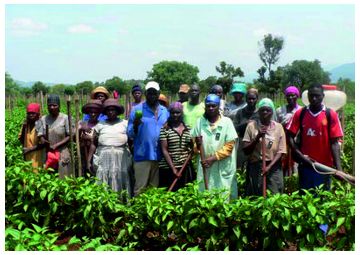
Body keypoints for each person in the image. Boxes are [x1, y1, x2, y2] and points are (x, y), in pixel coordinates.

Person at [286, 83, 343, 235]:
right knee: (306, 197)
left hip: (324, 168)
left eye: (317, 95)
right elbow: (290, 135)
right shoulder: (301, 113)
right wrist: (298, 154)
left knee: (323, 200)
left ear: (323, 96)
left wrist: (339, 169)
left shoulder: (330, 115)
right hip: (306, 165)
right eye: (312, 95)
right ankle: (306, 232)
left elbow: (334, 143)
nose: (314, 98)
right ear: (308, 97)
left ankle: (321, 232)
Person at [191, 94, 238, 201]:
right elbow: (194, 147)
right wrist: (197, 145)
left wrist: (212, 158)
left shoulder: (227, 122)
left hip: (223, 167)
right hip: (205, 166)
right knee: (205, 198)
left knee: (224, 196)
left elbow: (229, 147)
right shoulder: (199, 122)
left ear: (218, 107)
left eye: (213, 106)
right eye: (208, 106)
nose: (211, 108)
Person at [127, 81, 170, 197]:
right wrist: (135, 126)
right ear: (145, 94)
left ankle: (150, 215)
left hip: (159, 156)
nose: (151, 96)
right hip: (143, 155)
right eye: (149, 93)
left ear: (158, 94)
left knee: (154, 189)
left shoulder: (164, 111)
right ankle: (137, 215)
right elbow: (130, 134)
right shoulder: (137, 110)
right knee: (140, 188)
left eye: (154, 93)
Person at [87, 99, 133, 201]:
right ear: (105, 112)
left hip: (121, 156)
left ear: (117, 111)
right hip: (104, 155)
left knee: (121, 177)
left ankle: (121, 205)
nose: (110, 112)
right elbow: (93, 144)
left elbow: (130, 142)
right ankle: (104, 206)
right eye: (108, 110)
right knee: (103, 178)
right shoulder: (100, 125)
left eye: (113, 110)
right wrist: (89, 160)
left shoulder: (125, 123)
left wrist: (133, 158)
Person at [242, 98, 287, 196]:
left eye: (268, 110)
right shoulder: (251, 126)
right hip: (256, 165)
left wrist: (269, 167)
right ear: (258, 111)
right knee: (256, 195)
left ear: (272, 112)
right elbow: (245, 149)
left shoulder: (278, 127)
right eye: (262, 110)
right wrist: (257, 137)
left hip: (273, 166)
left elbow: (281, 151)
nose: (265, 112)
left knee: (274, 195)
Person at [36, 94, 75, 179]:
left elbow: (70, 135)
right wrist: (43, 141)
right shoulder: (43, 118)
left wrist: (56, 146)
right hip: (48, 152)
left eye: (55, 105)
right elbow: (40, 134)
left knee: (63, 178)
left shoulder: (66, 118)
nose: (52, 107)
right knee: (48, 178)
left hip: (62, 152)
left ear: (59, 106)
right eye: (50, 105)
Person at [159, 102, 194, 191]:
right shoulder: (165, 129)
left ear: (181, 113)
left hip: (184, 167)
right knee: (169, 196)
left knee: (185, 195)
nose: (175, 115)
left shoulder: (188, 129)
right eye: (172, 112)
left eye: (177, 112)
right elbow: (164, 150)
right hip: (168, 168)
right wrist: (173, 169)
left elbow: (192, 148)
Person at [275, 86, 302, 176]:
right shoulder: (279, 111)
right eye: (288, 96)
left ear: (297, 96)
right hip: (282, 143)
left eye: (293, 95)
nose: (290, 98)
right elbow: (274, 127)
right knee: (282, 166)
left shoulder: (301, 110)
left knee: (294, 167)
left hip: (296, 143)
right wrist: (283, 125)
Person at [232, 88, 260, 169]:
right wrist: (245, 124)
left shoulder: (260, 113)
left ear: (257, 100)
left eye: (253, 99)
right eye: (249, 98)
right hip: (242, 143)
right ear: (246, 100)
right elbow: (234, 127)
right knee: (241, 168)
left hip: (256, 144)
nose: (251, 101)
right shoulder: (240, 112)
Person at [78, 99, 102, 177]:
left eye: (95, 112)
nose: (93, 114)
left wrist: (90, 138)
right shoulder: (82, 123)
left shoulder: (101, 125)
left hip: (97, 153)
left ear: (99, 114)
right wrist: (81, 129)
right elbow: (75, 138)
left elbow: (102, 140)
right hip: (83, 152)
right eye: (91, 112)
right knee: (83, 172)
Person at [18, 103, 45, 170]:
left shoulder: (41, 125)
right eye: (29, 113)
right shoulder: (26, 125)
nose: (31, 115)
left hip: (37, 157)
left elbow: (44, 144)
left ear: (38, 114)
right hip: (27, 157)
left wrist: (30, 149)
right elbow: (21, 139)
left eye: (33, 113)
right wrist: (24, 128)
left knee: (36, 175)